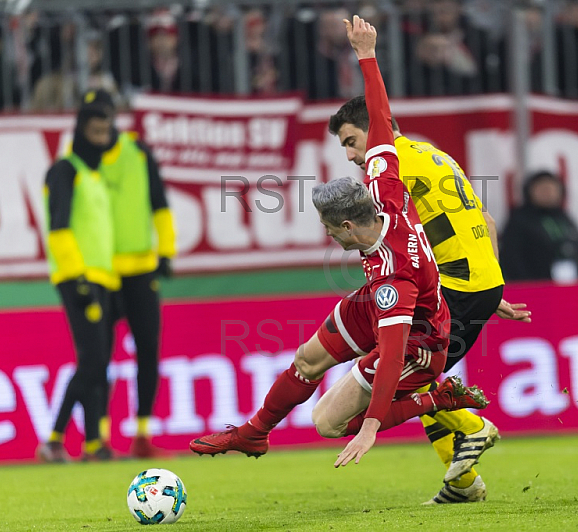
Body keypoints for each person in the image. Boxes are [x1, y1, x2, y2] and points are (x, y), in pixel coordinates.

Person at [190, 15, 490, 473]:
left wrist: (371, 428)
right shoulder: (385, 186)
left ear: (349, 227)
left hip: (420, 340)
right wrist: (366, 56)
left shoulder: (393, 277)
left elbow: (392, 355)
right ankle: (254, 432)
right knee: (307, 360)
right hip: (381, 301)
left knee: (328, 423)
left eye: (331, 231)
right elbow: (381, 119)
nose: (329, 238)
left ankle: (439, 397)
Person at [327, 102, 529, 503]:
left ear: (376, 130)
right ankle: (462, 485)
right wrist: (493, 287)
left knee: (398, 381)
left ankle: (472, 428)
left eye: (351, 141)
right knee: (417, 379)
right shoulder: (434, 154)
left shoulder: (391, 166)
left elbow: (390, 239)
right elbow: (484, 221)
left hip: (458, 286)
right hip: (476, 281)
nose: (350, 155)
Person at [38, 90, 119, 463]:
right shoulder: (65, 170)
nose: (101, 138)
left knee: (98, 361)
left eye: (106, 131)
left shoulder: (93, 176)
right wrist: (80, 280)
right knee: (91, 361)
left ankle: (92, 443)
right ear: (80, 131)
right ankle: (55, 439)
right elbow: (58, 229)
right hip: (78, 278)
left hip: (101, 277)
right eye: (95, 131)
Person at [97, 92, 176, 459]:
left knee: (147, 350)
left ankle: (141, 433)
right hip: (102, 273)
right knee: (99, 355)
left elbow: (159, 203)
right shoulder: (80, 160)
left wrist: (167, 250)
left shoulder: (139, 153)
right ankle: (98, 436)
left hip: (141, 269)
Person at [500, 170, 578, 283]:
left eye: (552, 189)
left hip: (573, 287)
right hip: (536, 289)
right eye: (542, 189)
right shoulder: (519, 220)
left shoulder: (565, 218)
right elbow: (512, 259)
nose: (548, 193)